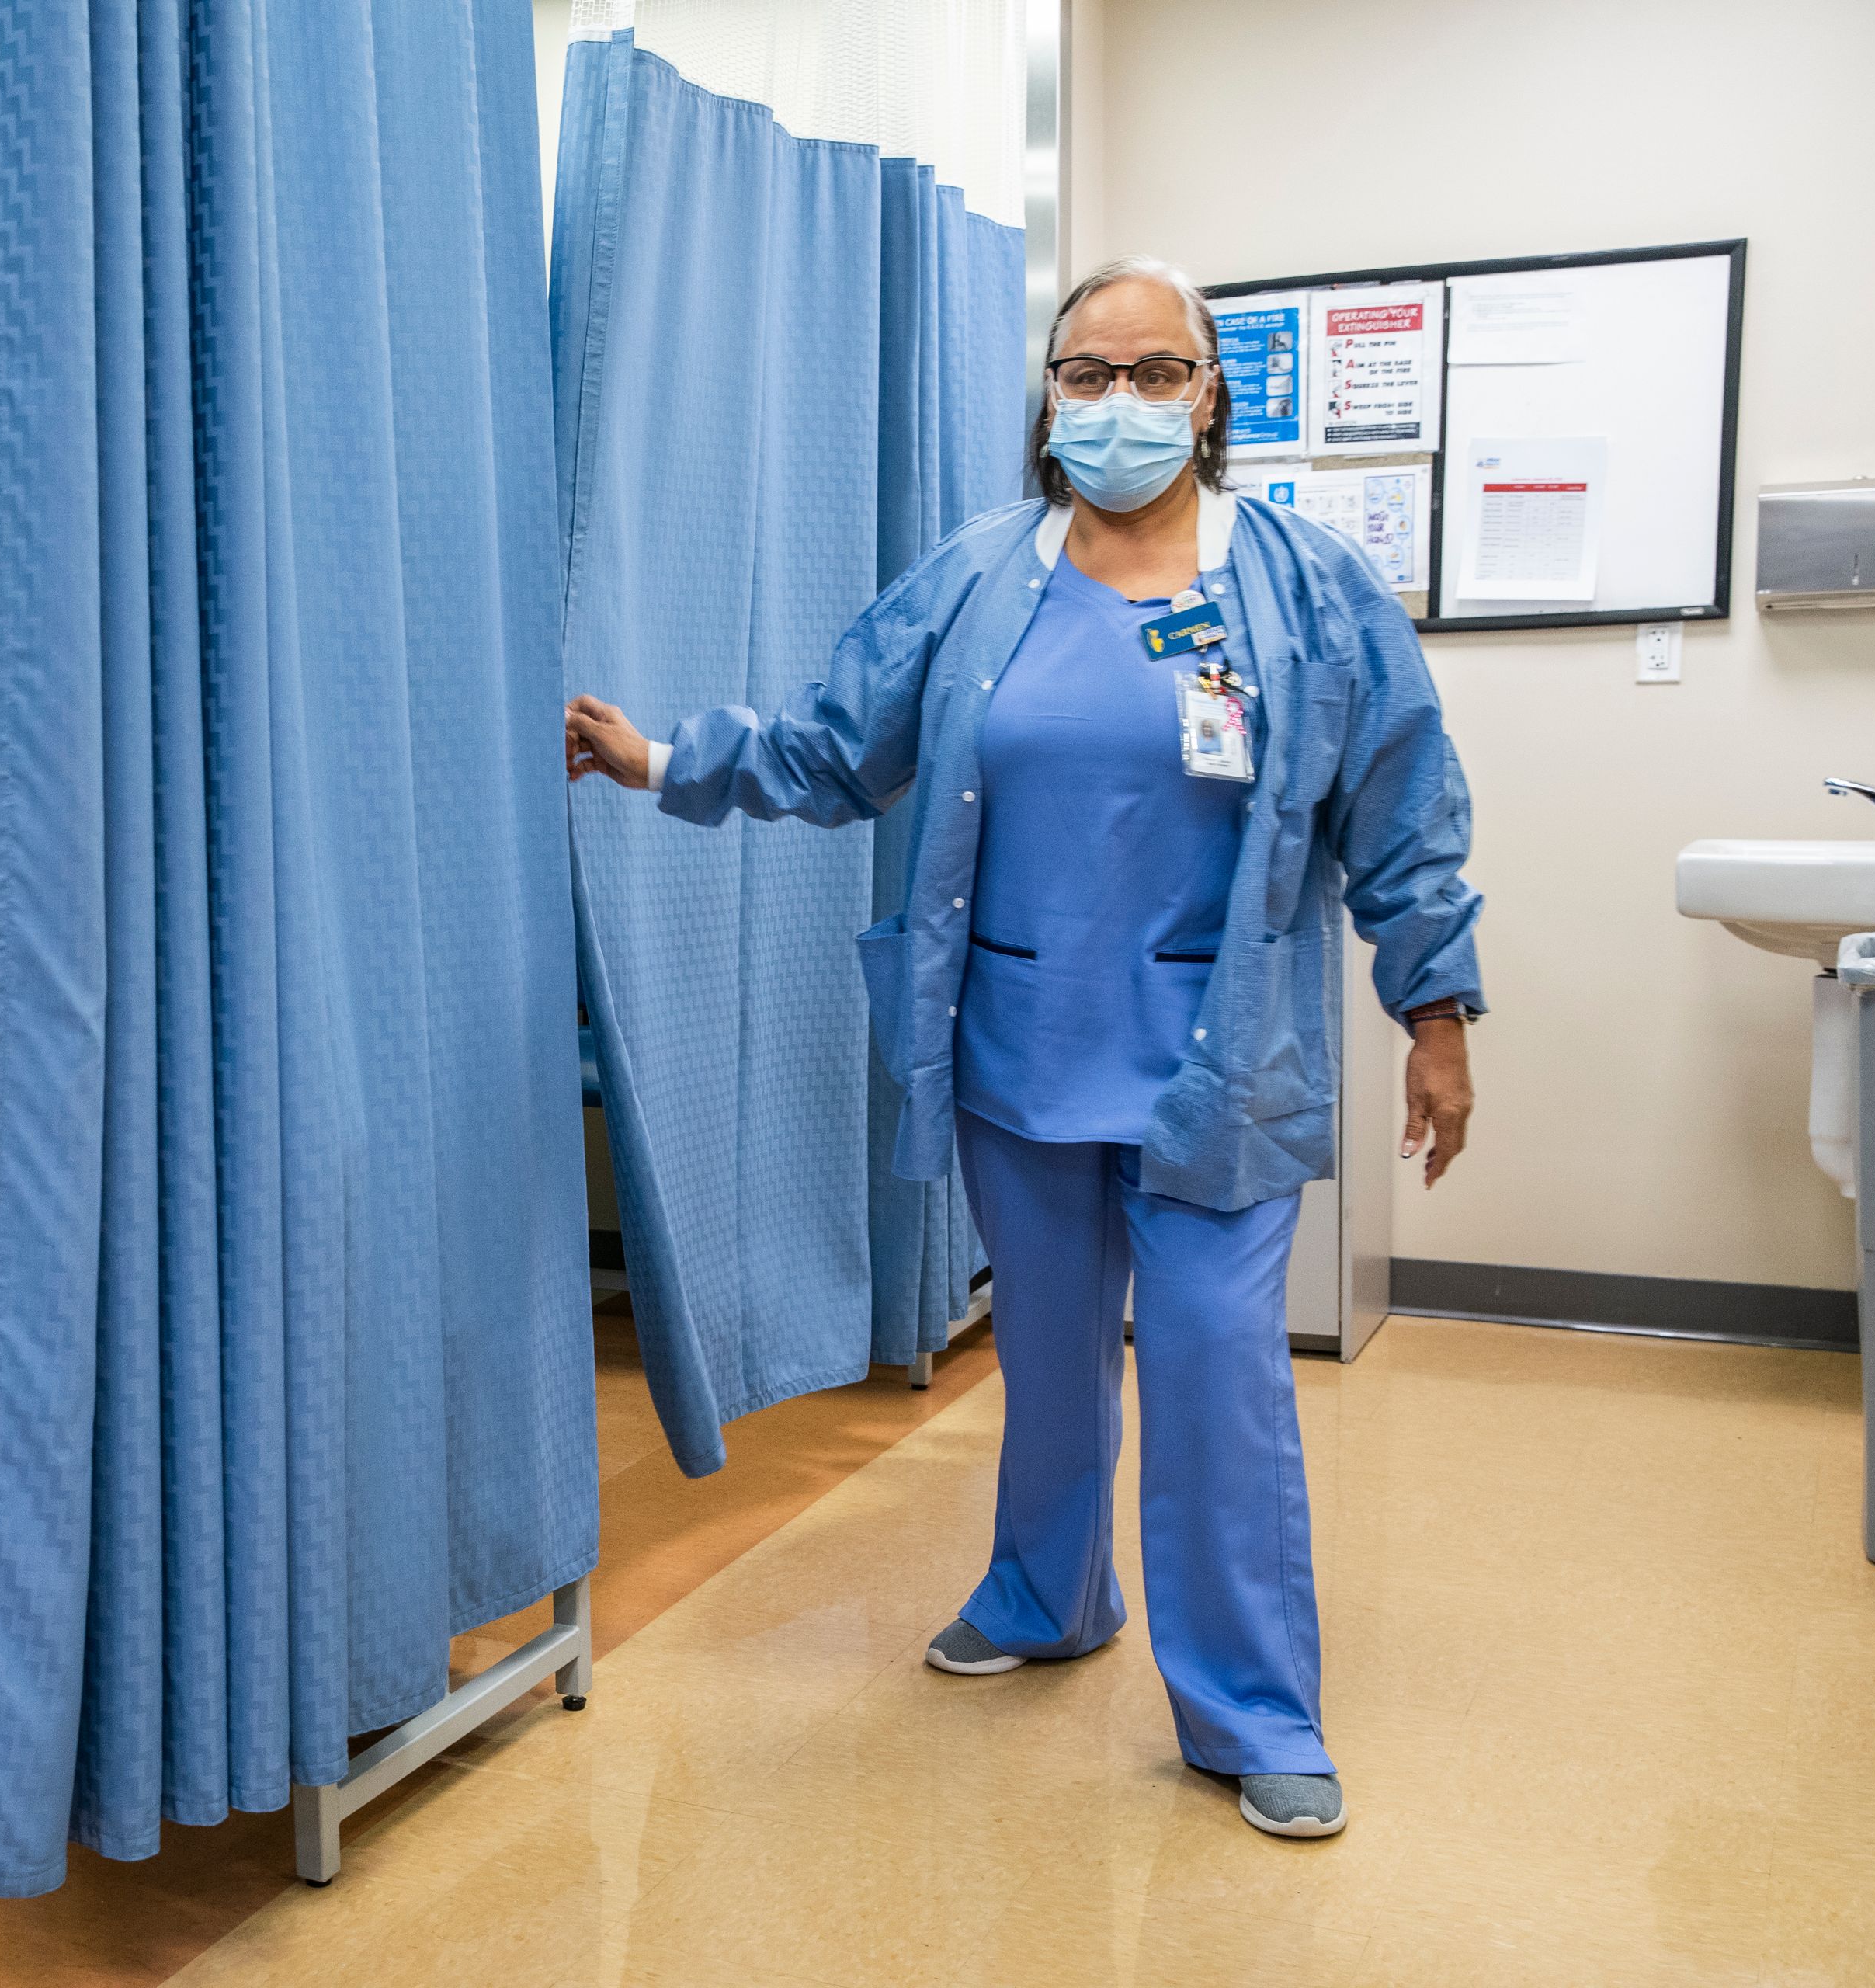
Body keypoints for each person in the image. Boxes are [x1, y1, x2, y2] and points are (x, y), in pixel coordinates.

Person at [564, 256, 1481, 1840]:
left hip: (1221, 1053)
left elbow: (1402, 810)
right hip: (1022, 1046)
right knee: (1049, 1364)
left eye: (1152, 372)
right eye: (1085, 373)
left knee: (1216, 1377)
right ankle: (1051, 1594)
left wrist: (1438, 1009)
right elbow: (837, 742)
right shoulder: (981, 576)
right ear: (1049, 396)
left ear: (1211, 394)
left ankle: (1253, 1707)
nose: (1117, 403)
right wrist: (665, 760)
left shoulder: (1305, 588)